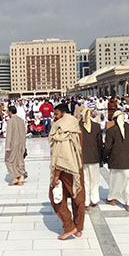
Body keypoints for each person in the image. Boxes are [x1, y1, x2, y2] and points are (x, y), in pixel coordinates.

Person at [49, 103, 85, 240]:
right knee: (78, 198)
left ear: (63, 114)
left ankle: (70, 227)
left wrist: (56, 175)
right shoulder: (76, 125)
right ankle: (79, 228)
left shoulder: (62, 128)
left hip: (64, 170)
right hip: (77, 167)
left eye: (56, 114)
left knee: (55, 198)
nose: (54, 117)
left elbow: (62, 154)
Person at [104, 111, 129, 212]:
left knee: (114, 181)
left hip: (115, 161)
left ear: (114, 120)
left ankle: (112, 199)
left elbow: (108, 147)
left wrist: (105, 158)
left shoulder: (111, 131)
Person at [79, 108, 103, 211]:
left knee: (85, 181)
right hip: (94, 157)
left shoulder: (78, 126)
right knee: (94, 180)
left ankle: (86, 202)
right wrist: (101, 157)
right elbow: (100, 144)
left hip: (82, 158)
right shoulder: (96, 126)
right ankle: (94, 199)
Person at [5, 106, 28, 186]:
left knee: (9, 161)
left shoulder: (10, 121)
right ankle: (21, 178)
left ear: (10, 112)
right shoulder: (21, 120)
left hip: (13, 144)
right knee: (19, 160)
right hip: (21, 143)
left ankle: (15, 177)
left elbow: (9, 135)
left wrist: (7, 147)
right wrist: (24, 146)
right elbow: (24, 133)